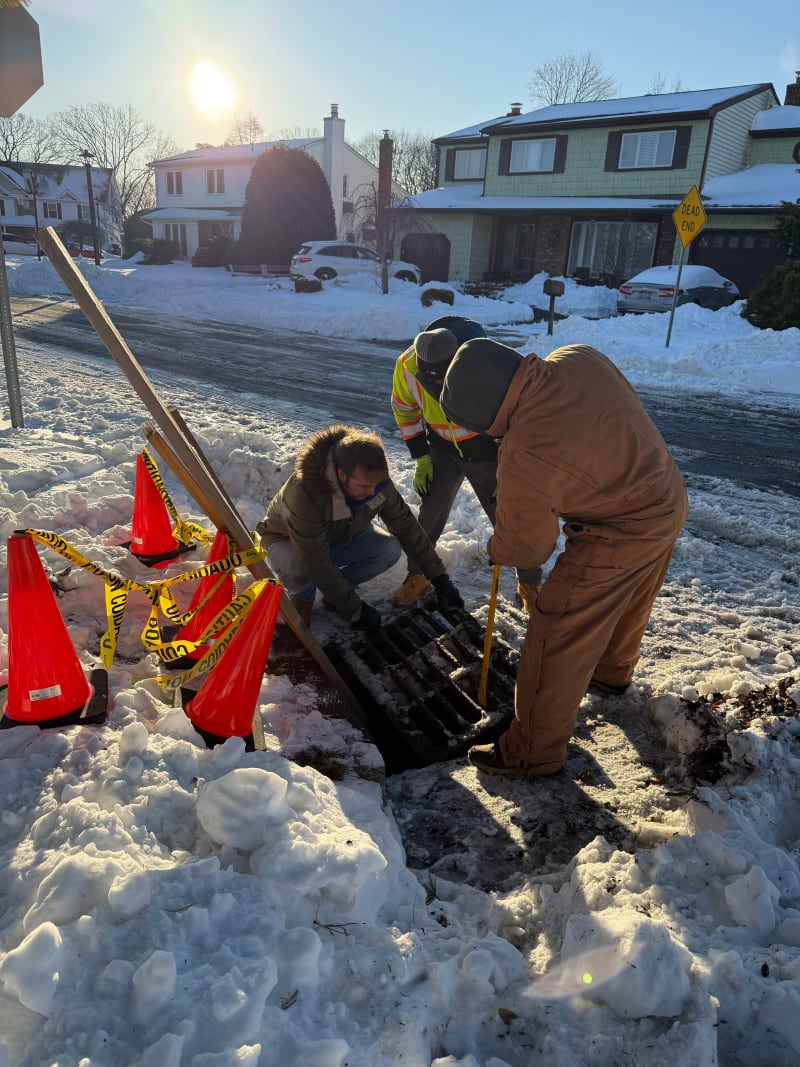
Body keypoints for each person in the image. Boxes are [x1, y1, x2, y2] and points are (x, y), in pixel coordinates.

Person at [440, 340, 688, 778]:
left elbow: (528, 548)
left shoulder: (524, 448)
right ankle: (611, 671)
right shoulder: (577, 356)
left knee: (557, 628)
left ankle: (530, 751)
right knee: (630, 595)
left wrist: (499, 546)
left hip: (618, 528)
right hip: (667, 494)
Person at [390, 314, 542, 609]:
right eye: (430, 376)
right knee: (429, 514)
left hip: (486, 451)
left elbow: (515, 419)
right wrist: (421, 456)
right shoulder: (407, 366)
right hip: (440, 450)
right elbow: (404, 409)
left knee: (510, 517)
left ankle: (530, 582)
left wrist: (509, 468)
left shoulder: (482, 365)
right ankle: (418, 575)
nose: (435, 383)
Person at [257, 424, 463, 632]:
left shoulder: (374, 481)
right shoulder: (305, 491)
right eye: (365, 487)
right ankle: (301, 600)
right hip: (288, 540)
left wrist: (440, 579)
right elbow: (314, 559)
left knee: (388, 549)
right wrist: (356, 610)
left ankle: (336, 595)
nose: (372, 492)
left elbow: (407, 527)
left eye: (376, 485)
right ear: (341, 475)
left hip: (340, 535)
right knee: (297, 565)